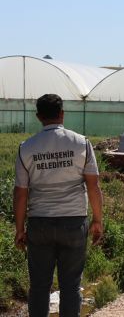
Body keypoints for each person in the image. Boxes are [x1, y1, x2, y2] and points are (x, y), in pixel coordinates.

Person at [13, 94, 103, 317]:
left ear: (38, 117)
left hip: (39, 225)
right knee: (71, 287)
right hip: (74, 223)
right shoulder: (82, 143)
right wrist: (98, 220)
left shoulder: (26, 148)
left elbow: (21, 193)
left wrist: (19, 229)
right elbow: (93, 186)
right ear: (62, 114)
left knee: (40, 287)